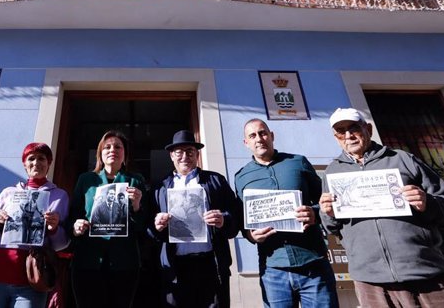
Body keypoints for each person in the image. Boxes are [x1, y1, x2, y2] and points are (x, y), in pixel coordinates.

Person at [319, 108, 444, 307]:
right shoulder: (332, 172)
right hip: (370, 283)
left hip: (424, 273)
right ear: (336, 138)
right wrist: (327, 213)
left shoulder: (403, 159)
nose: (348, 135)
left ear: (367, 128)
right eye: (341, 132)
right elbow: (332, 228)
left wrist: (428, 202)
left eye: (353, 128)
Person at [234, 119, 339, 308]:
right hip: (273, 269)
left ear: (271, 136)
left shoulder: (298, 162)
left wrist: (314, 213)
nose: (259, 139)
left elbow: (325, 202)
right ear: (246, 143)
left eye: (263, 133)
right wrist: (250, 235)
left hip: (312, 263)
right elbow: (243, 221)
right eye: (252, 135)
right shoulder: (241, 177)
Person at [0, 142, 69, 308]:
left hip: (31, 279)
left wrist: (54, 229)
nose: (36, 162)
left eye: (42, 158)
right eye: (31, 158)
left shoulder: (59, 196)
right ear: (25, 164)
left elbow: (61, 244)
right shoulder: (8, 193)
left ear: (49, 163)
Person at [152, 130, 240, 308]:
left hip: (211, 264)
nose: (185, 156)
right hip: (176, 267)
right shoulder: (160, 187)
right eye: (179, 152)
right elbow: (149, 228)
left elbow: (236, 214)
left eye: (190, 151)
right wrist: (157, 224)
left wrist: (224, 219)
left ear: (197, 155)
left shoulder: (215, 180)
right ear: (171, 156)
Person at [69, 130, 145, 308]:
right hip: (88, 261)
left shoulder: (135, 181)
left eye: (118, 147)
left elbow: (143, 225)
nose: (113, 150)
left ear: (125, 153)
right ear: (100, 153)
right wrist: (76, 226)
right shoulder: (86, 180)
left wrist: (136, 206)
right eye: (107, 147)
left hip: (124, 263)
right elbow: (73, 214)